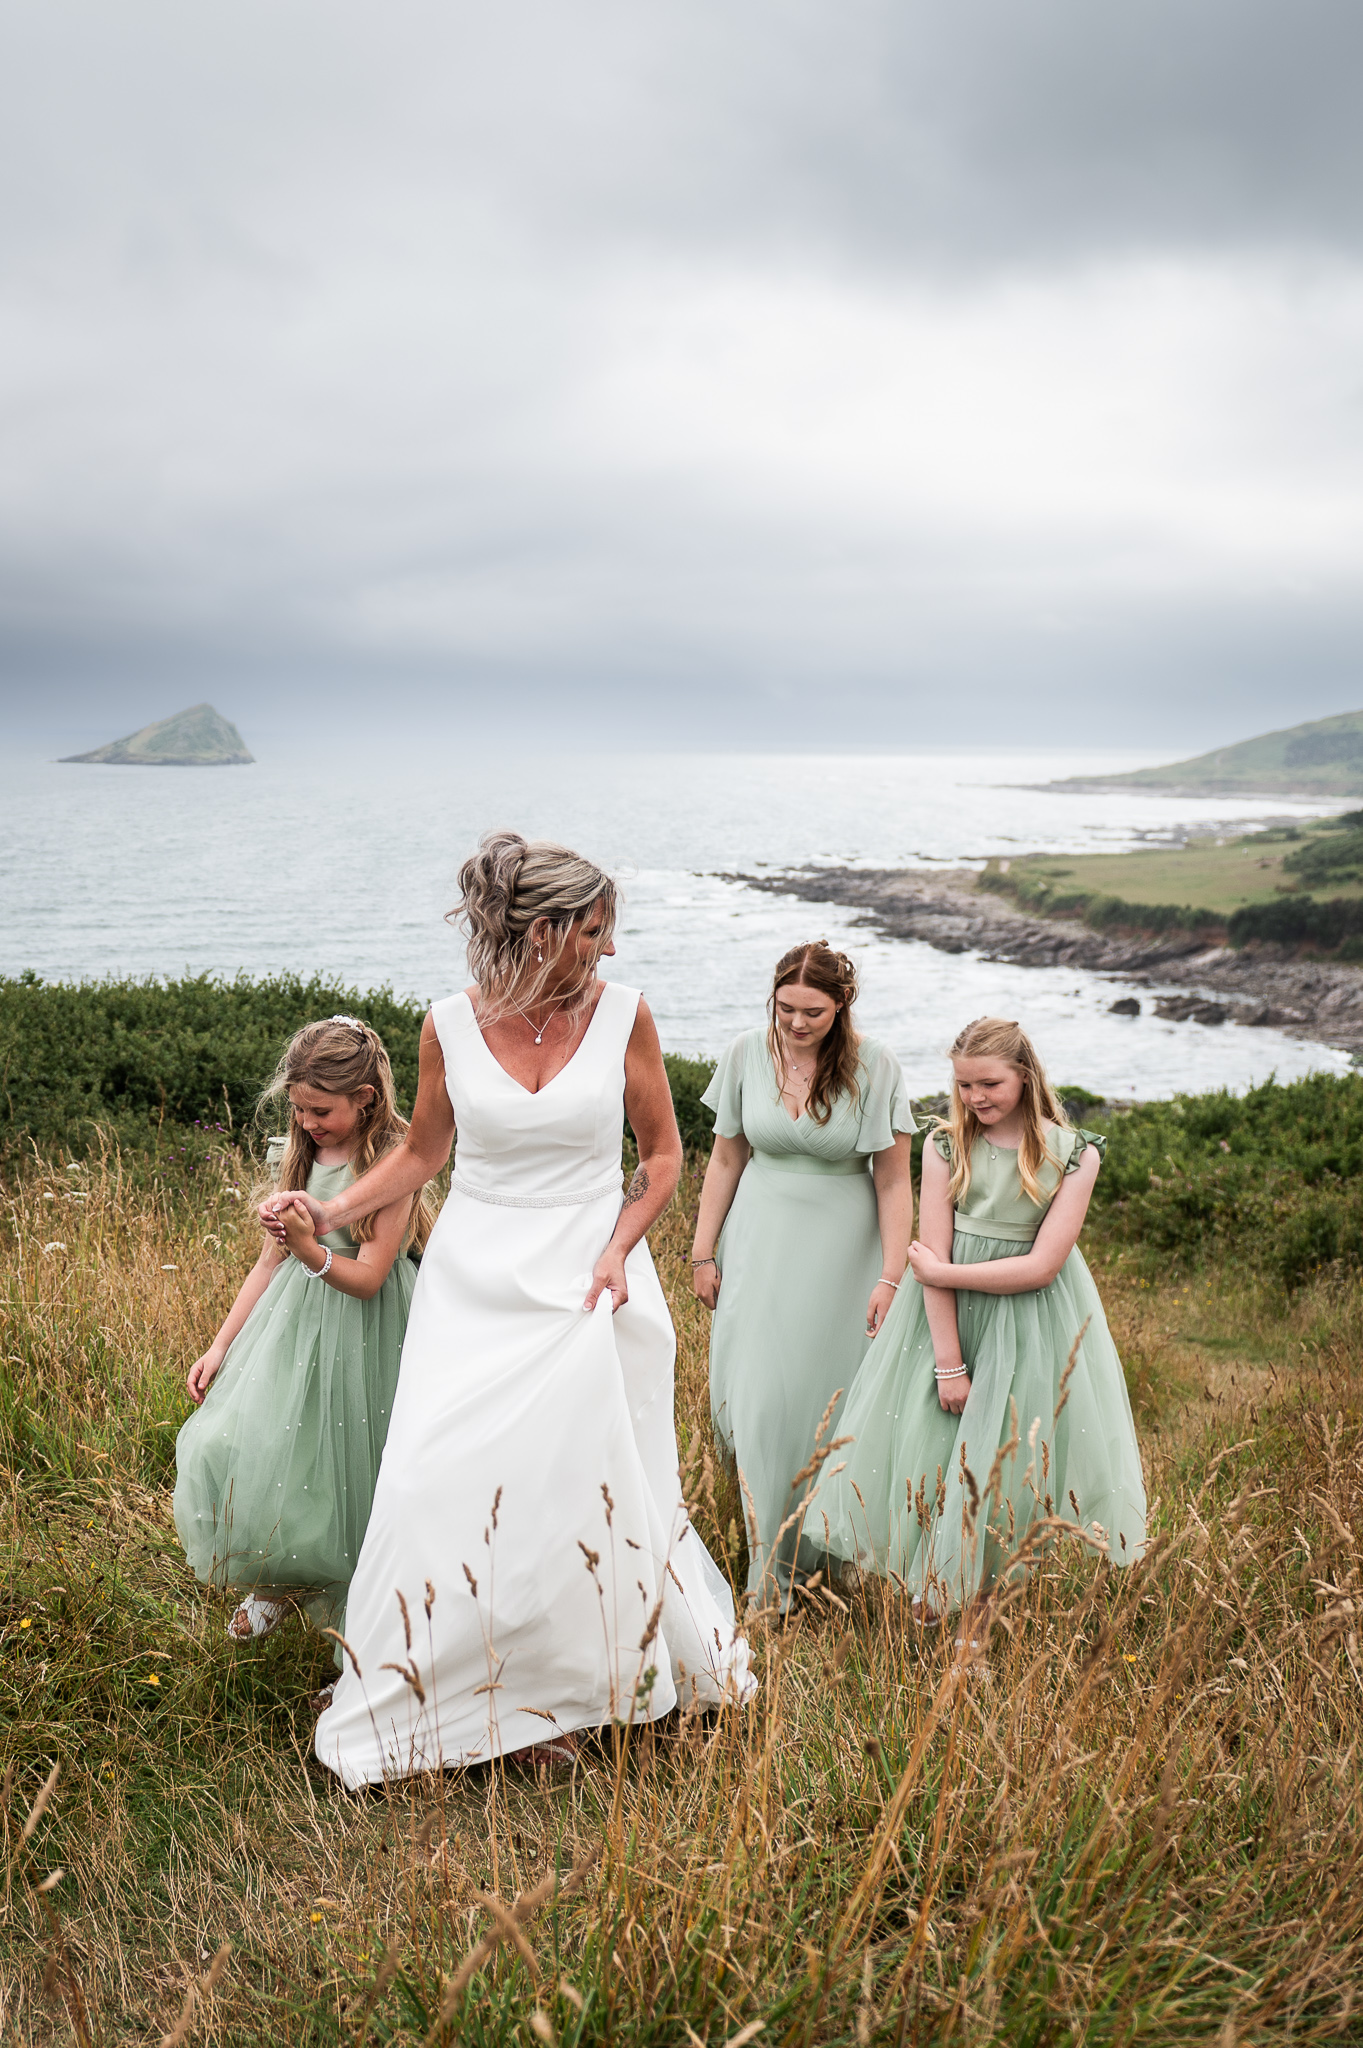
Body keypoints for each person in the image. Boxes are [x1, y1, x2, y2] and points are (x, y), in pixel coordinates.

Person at [262, 832, 753, 1788]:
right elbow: (421, 1155)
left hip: (585, 1276)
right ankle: (433, 1683)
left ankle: (568, 1702)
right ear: (543, 931)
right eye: (595, 932)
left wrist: (617, 1248)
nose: (608, 950)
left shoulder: (626, 1018)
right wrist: (332, 1208)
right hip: (474, 1278)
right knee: (432, 1482)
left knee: (576, 1486)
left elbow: (661, 1162)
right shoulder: (446, 1023)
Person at [823, 1016, 1146, 1618]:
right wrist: (949, 1363)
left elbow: (1043, 1266)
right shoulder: (947, 1145)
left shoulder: (1075, 1154)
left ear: (1023, 1076)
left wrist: (944, 1275)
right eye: (965, 1085)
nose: (975, 1098)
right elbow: (933, 1250)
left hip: (1030, 1323)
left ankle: (983, 1606)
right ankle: (933, 1593)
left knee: (1006, 1461)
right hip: (944, 1326)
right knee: (934, 1451)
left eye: (990, 1084)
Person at [175, 1017, 431, 1641]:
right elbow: (269, 1262)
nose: (308, 1121)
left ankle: (355, 1620)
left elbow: (370, 1275)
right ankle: (282, 1578)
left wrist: (310, 1247)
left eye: (321, 1110)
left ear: (365, 1098)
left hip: (370, 1330)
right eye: (299, 1108)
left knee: (357, 1469)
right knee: (265, 1448)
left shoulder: (395, 1158)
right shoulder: (301, 1151)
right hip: (292, 1326)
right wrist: (220, 1345)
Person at [691, 942, 916, 1608]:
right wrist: (703, 1252)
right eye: (784, 1007)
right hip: (757, 1242)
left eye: (811, 1011)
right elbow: (725, 1160)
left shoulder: (875, 1066)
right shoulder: (742, 1054)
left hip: (841, 1253)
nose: (794, 1022)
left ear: (840, 1004)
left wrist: (891, 1275)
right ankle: (769, 1570)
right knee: (759, 1399)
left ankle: (830, 1558)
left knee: (827, 1399)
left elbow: (895, 1179)